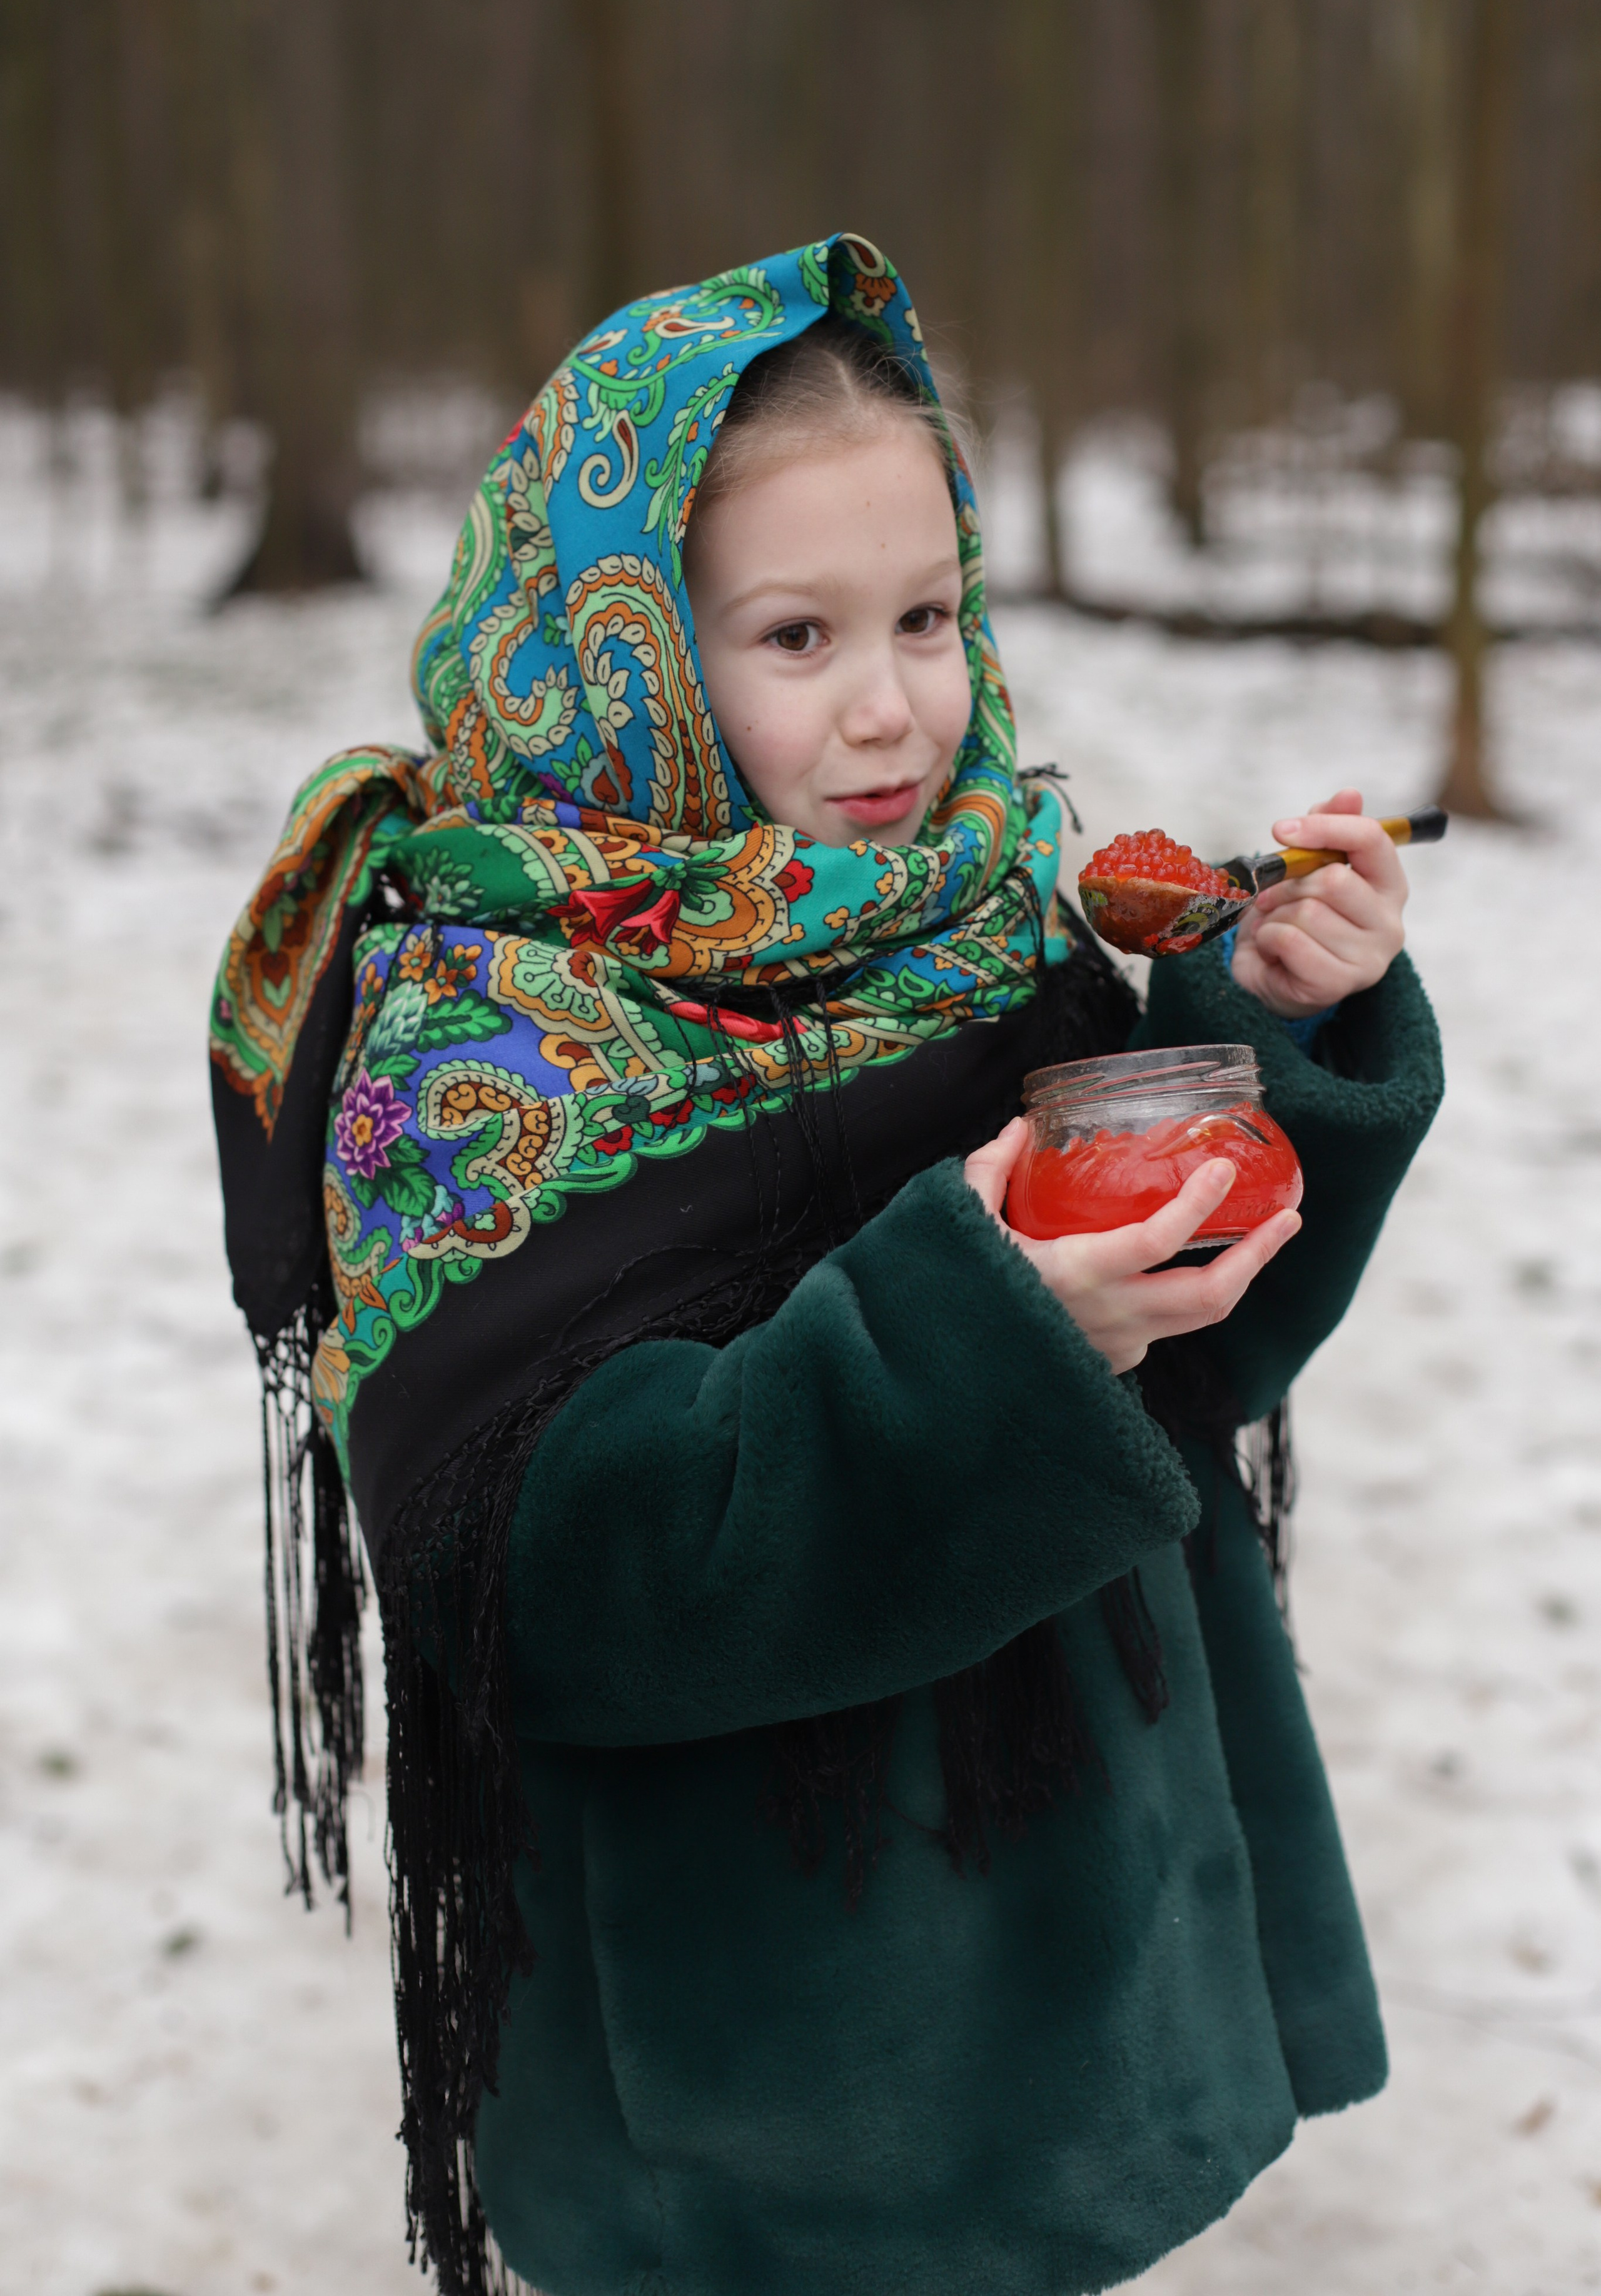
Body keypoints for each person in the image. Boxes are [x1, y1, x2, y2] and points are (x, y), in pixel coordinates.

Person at [210, 233, 1443, 2296]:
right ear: (619, 655)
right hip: (771, 2075)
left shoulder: (979, 919)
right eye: (796, 637)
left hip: (1083, 1963)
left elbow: (1203, 1366)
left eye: (930, 614)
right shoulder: (484, 1045)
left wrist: (1277, 1048)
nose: (893, 704)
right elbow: (565, 1581)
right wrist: (981, 1343)